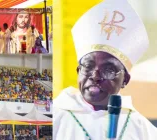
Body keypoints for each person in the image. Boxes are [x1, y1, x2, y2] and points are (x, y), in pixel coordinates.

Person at [53, 0, 157, 139]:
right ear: (78, 71)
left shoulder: (142, 129)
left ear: (125, 80)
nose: (95, 76)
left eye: (108, 70)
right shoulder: (52, 118)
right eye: (88, 66)